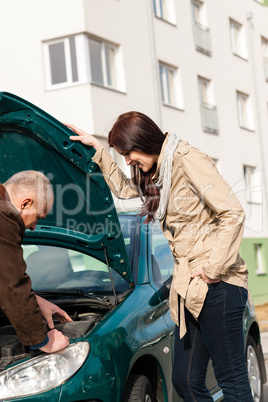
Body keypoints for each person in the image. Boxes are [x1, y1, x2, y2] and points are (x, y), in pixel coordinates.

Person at [67, 111, 253, 401]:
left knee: (232, 382)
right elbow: (125, 189)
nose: (127, 161)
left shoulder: (187, 159)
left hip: (218, 287)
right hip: (188, 290)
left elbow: (232, 213)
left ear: (142, 139)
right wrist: (99, 151)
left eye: (128, 153)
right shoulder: (159, 173)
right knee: (185, 380)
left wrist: (213, 268)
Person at [0, 170, 72, 353]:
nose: (33, 228)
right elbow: (11, 282)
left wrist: (36, 301)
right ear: (25, 203)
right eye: (38, 218)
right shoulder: (4, 215)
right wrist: (42, 341)